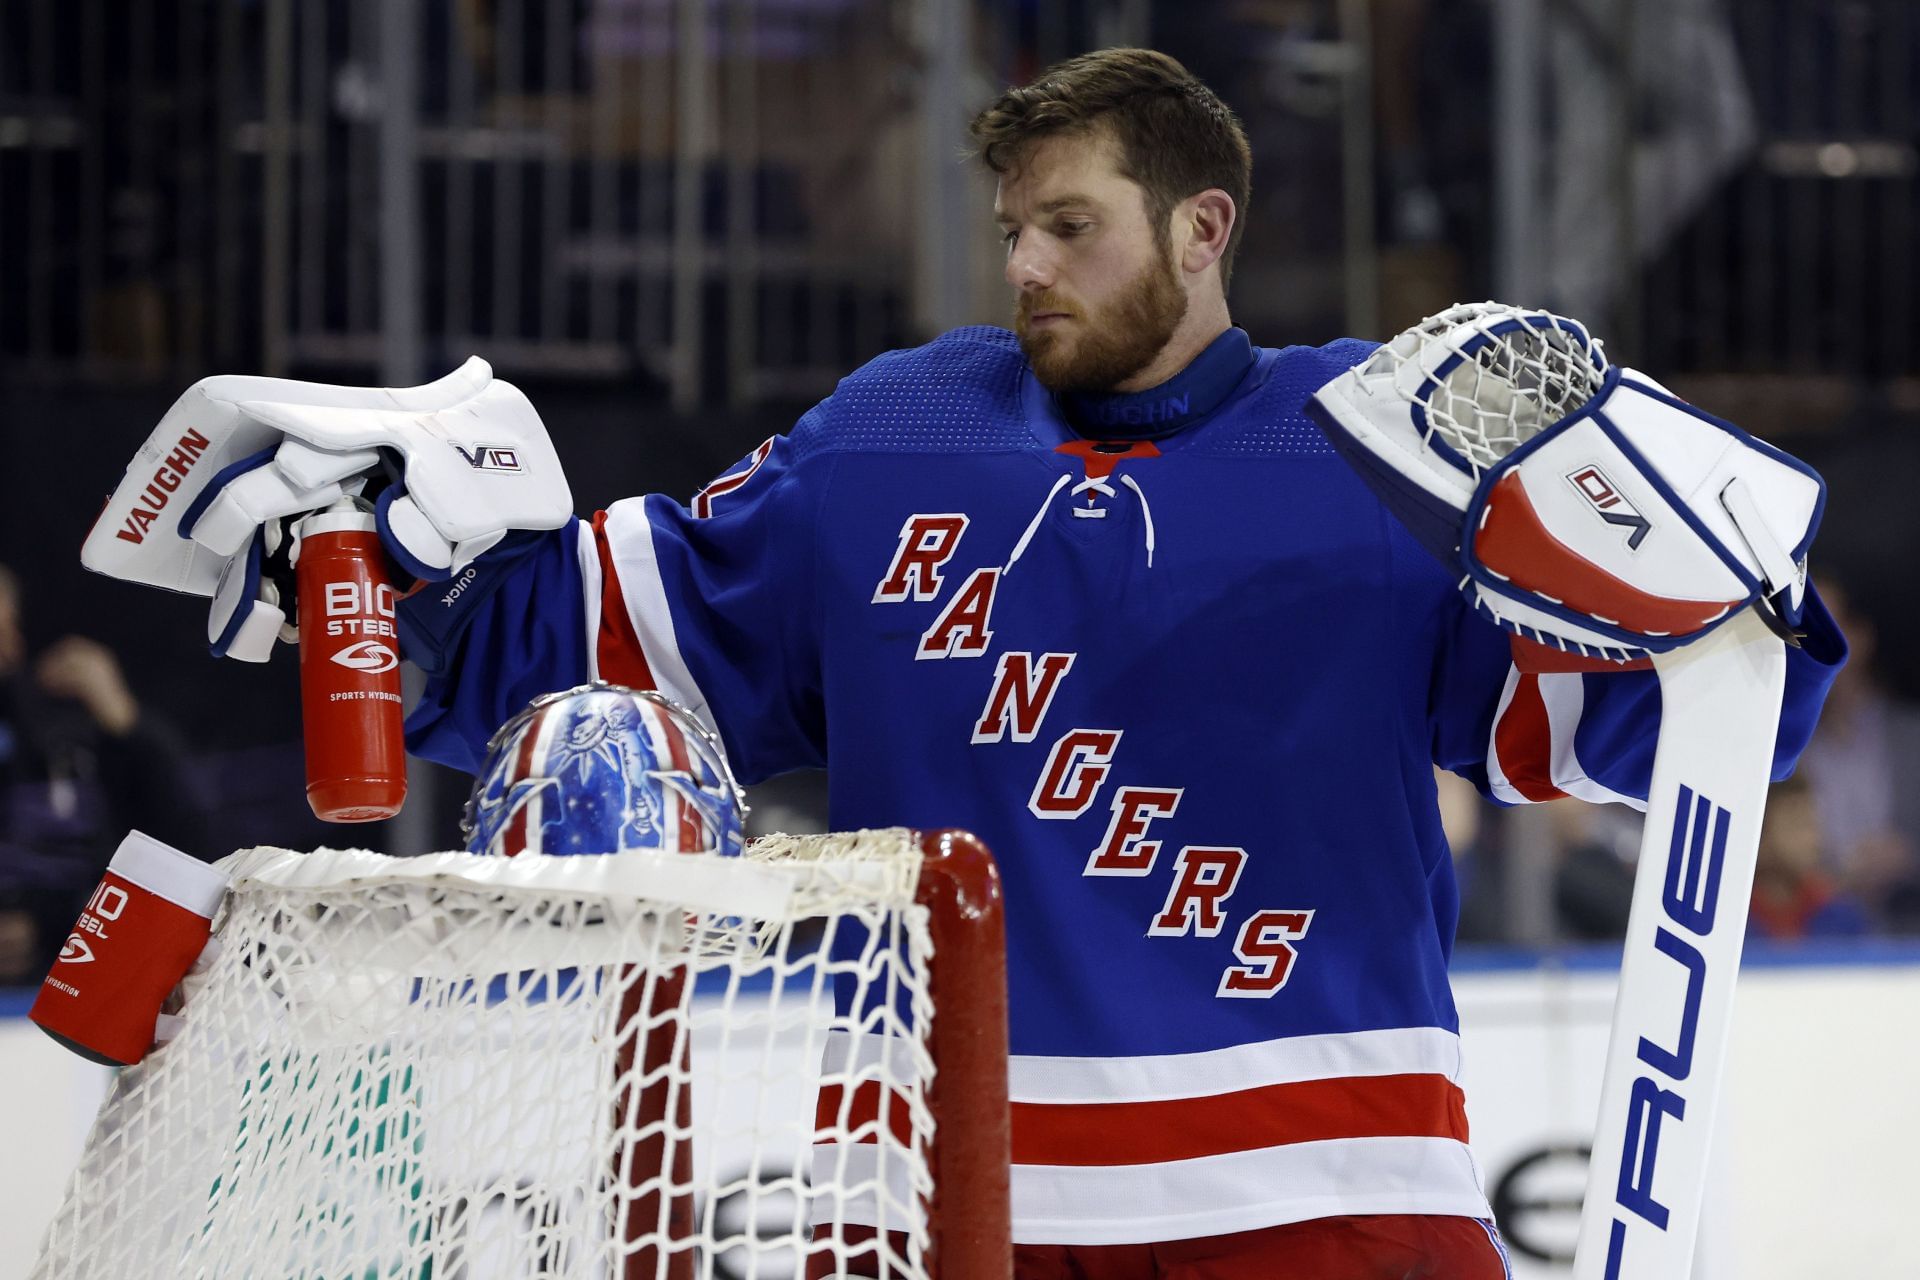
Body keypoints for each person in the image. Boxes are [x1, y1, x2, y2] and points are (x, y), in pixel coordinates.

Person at [87, 48, 1844, 1280]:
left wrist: (1723, 605)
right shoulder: (892, 436)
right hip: (953, 1191)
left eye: (1070, 223)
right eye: (1012, 225)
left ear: (1202, 226)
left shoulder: (1380, 451)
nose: (1027, 265)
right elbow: (583, 653)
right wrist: (382, 589)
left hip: (1333, 1187)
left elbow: (1655, 736)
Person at [0, 565, 211, 983]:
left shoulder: (60, 726)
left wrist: (125, 721)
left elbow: (190, 842)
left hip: (76, 976)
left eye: (6, 625)